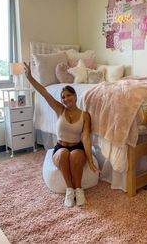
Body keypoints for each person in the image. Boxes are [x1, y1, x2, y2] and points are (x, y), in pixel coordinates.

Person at [23, 62, 98, 207]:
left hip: (77, 147)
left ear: (75, 96)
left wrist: (90, 160)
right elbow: (44, 93)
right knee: (63, 153)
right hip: (60, 147)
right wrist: (30, 78)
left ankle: (79, 190)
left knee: (75, 155)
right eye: (63, 97)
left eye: (68, 95)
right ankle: (70, 190)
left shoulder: (85, 115)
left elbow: (85, 138)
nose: (65, 99)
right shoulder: (59, 110)